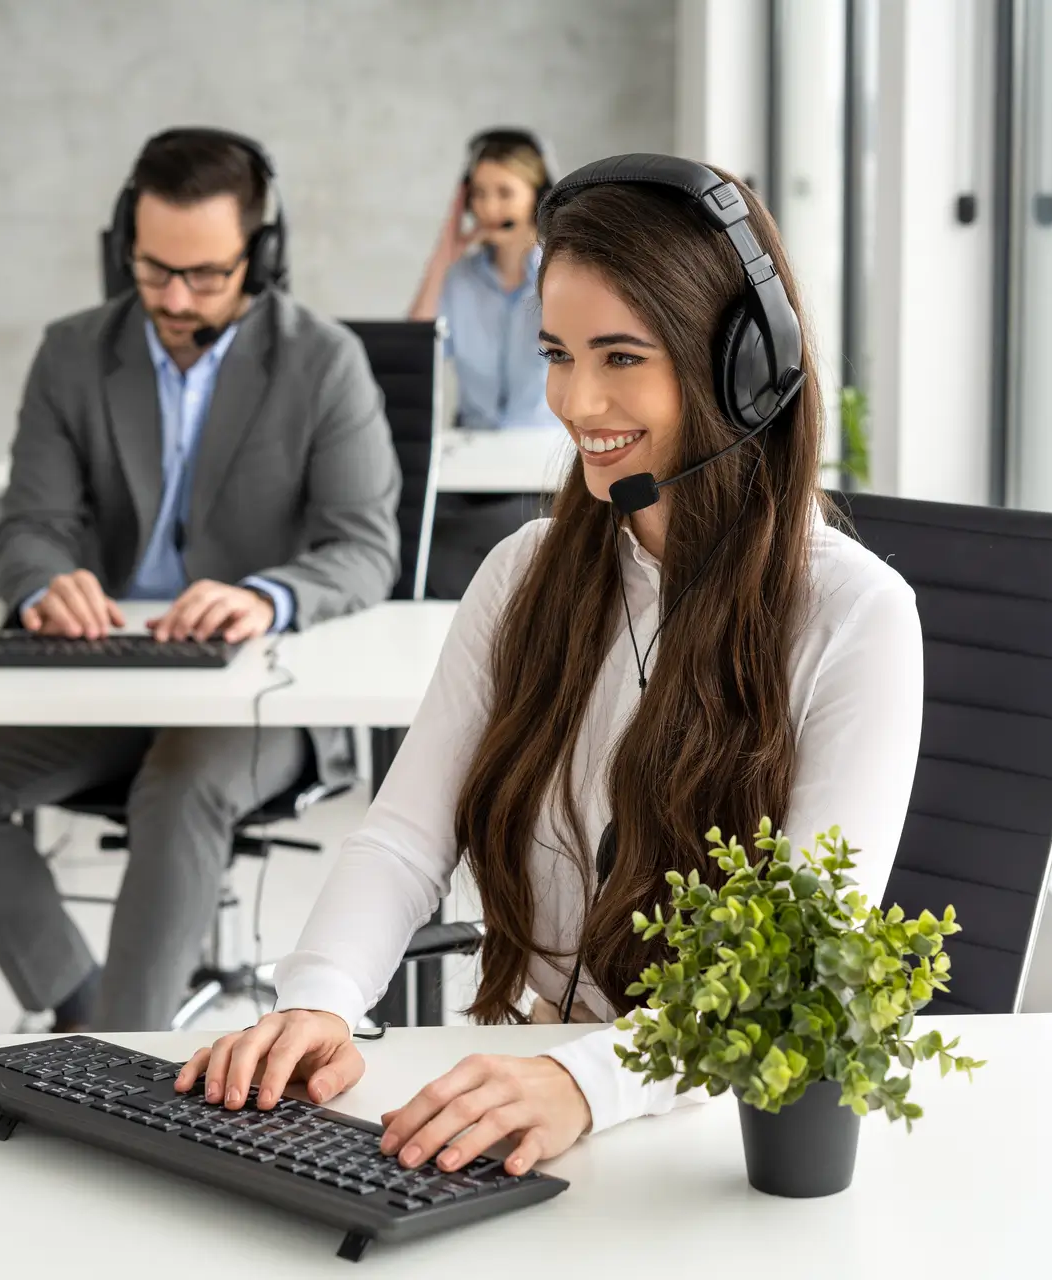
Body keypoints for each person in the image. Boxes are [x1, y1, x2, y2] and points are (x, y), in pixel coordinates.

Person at [179, 157, 925, 1179]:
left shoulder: (855, 614)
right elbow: (405, 836)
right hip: (534, 1082)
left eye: (621, 356)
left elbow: (800, 958)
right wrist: (319, 999)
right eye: (557, 353)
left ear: (744, 369)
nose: (575, 400)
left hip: (718, 1134)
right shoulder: (525, 573)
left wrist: (588, 1084)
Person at [0, 127, 401, 1033]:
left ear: (262, 255)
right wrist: (43, 584)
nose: (176, 299)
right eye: (154, 270)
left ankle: (122, 1057)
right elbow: (28, 525)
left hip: (259, 692)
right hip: (111, 673)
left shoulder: (324, 362)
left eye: (206, 275)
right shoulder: (72, 353)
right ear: (124, 247)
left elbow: (363, 547)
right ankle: (84, 1009)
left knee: (181, 787)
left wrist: (266, 596)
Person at [409, 128, 560, 598]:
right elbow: (416, 352)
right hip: (473, 465)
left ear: (537, 197)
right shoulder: (459, 279)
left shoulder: (561, 274)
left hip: (542, 466)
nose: (490, 208)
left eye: (504, 193)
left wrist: (549, 253)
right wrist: (445, 252)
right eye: (479, 194)